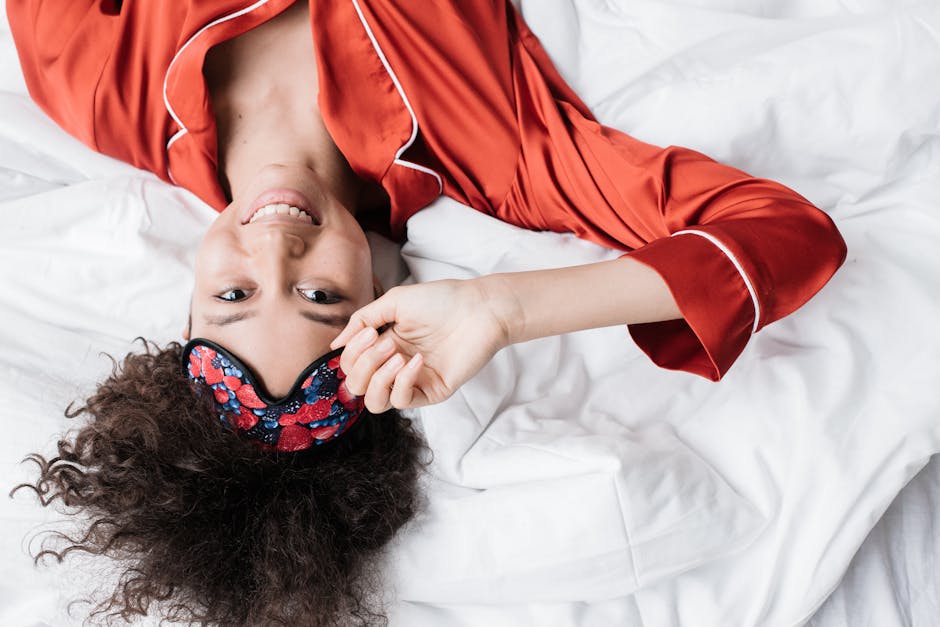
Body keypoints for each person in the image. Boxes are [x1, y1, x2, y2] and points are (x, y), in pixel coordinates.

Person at [7, 0, 846, 625]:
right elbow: (784, 235)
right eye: (320, 296)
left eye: (234, 297)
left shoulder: (96, 84)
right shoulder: (496, 150)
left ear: (187, 310)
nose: (274, 249)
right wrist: (501, 307)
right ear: (381, 300)